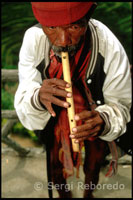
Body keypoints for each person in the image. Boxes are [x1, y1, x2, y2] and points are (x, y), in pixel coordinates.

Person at [14, 2, 132, 198]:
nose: (63, 41)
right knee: (54, 162)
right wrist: (37, 97)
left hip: (91, 111)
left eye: (74, 27)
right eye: (51, 27)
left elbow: (121, 103)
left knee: (94, 161)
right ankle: (63, 195)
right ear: (41, 22)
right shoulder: (33, 39)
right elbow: (26, 94)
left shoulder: (107, 43)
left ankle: (88, 193)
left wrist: (105, 120)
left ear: (88, 19)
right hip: (54, 118)